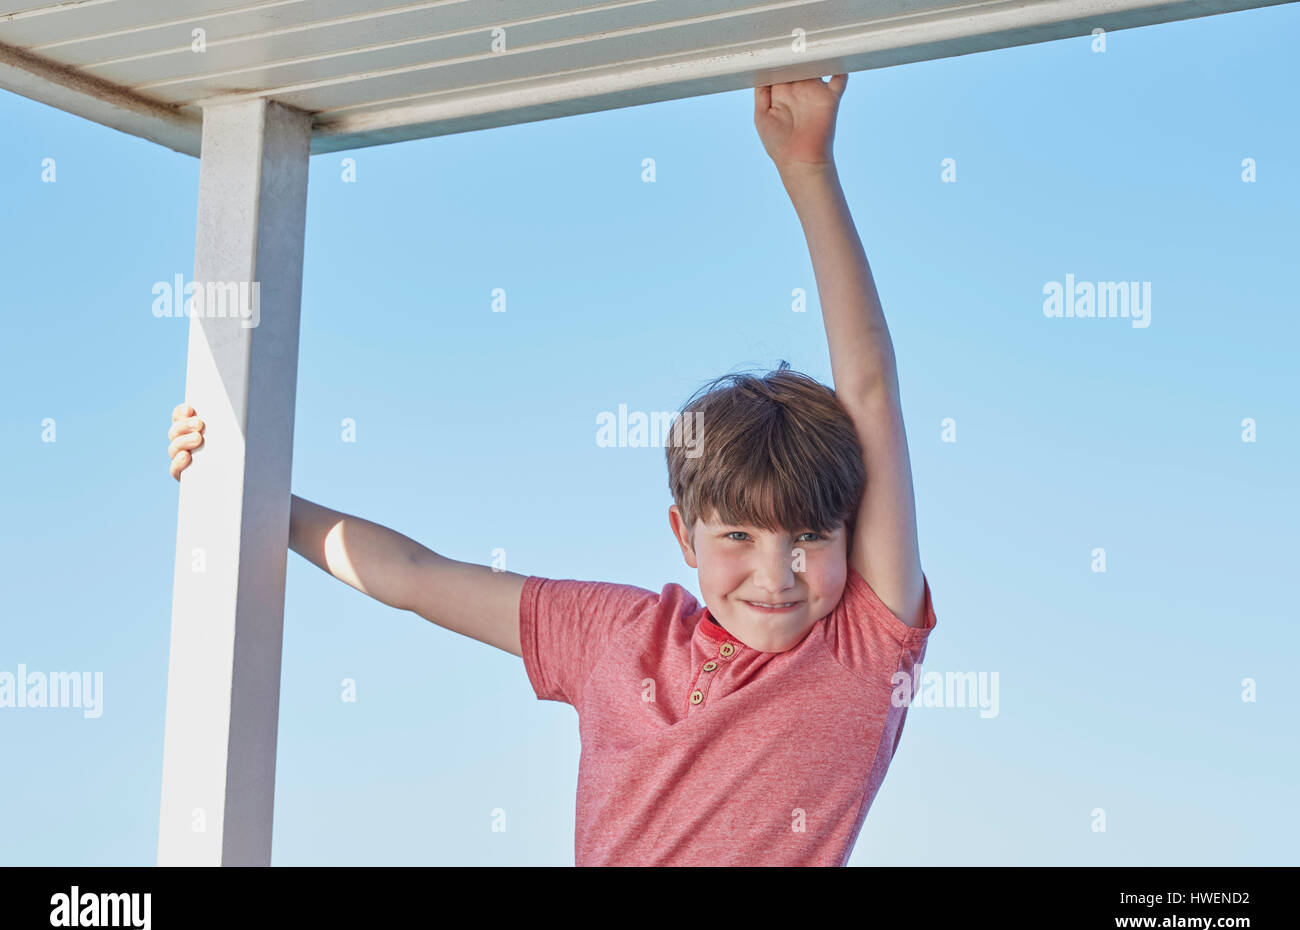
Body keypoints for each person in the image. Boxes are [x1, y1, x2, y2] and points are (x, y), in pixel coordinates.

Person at [166, 74, 936, 866]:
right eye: (739, 533)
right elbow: (413, 575)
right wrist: (250, 493)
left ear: (852, 530)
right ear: (684, 535)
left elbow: (870, 396)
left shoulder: (861, 647)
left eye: (809, 533)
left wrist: (807, 168)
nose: (776, 571)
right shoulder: (614, 637)